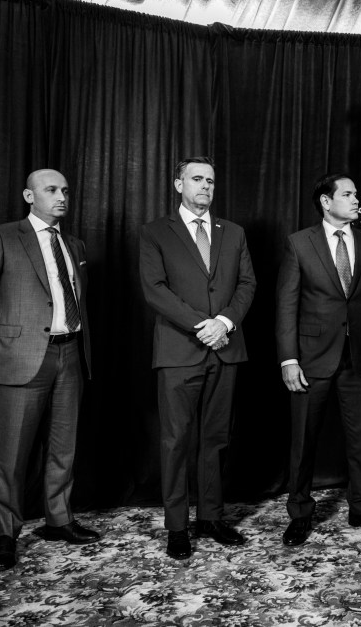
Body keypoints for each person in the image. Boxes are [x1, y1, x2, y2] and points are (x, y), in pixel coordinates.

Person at [0, 169, 100, 571]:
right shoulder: (2, 236)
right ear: (29, 195)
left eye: (65, 191)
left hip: (70, 353)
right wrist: (5, 336)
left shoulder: (73, 244)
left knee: (64, 447)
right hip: (20, 358)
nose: (62, 197)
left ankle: (59, 520)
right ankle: (6, 534)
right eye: (51, 190)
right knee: (13, 453)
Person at [139, 156, 257, 559]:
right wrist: (201, 325)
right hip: (178, 352)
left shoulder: (233, 232)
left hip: (225, 349)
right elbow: (155, 289)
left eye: (210, 180)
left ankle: (211, 517)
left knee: (216, 439)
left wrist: (223, 322)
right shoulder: (155, 232)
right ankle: (177, 527)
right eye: (196, 179)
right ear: (179, 184)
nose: (205, 186)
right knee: (175, 442)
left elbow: (247, 284)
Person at [275, 174, 361, 546]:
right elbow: (286, 306)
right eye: (347, 194)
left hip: (359, 357)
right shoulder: (300, 243)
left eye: (356, 194)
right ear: (326, 202)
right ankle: (300, 514)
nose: (357, 199)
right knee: (303, 441)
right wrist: (288, 360)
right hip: (311, 359)